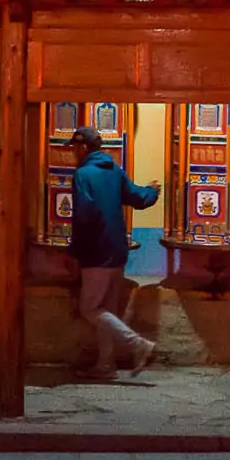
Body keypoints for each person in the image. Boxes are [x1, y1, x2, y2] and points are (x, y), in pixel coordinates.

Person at [65, 125, 161, 378]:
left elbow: (85, 215)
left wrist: (75, 250)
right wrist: (152, 191)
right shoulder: (115, 171)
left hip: (97, 252)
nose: (73, 152)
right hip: (118, 250)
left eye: (75, 147)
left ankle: (138, 344)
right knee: (106, 308)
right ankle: (105, 366)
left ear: (84, 147)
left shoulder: (83, 175)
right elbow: (138, 198)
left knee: (90, 309)